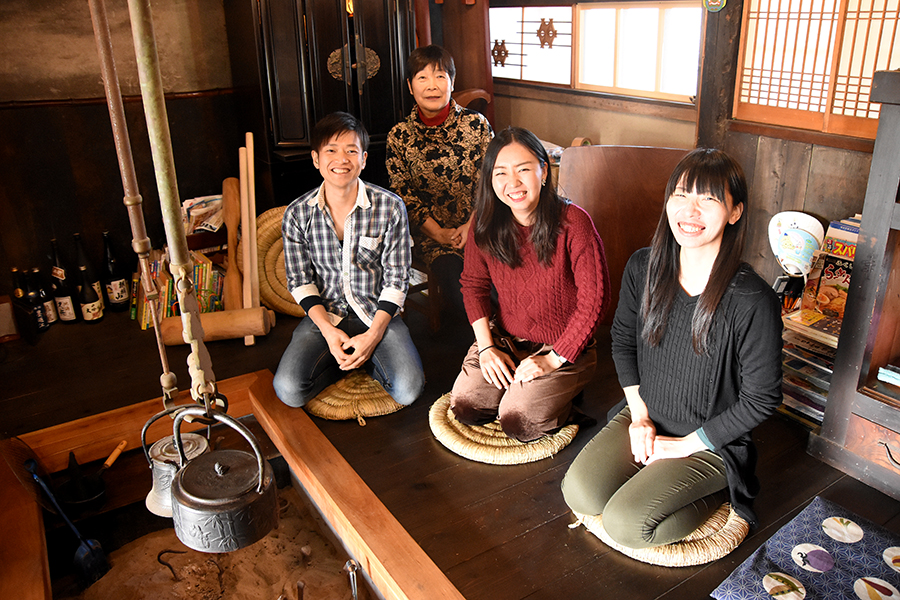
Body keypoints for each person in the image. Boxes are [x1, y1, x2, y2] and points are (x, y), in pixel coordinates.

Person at [561, 148, 783, 550]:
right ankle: (658, 477)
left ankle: (722, 489)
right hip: (648, 414)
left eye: (708, 198)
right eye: (680, 195)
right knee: (580, 493)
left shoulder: (752, 299)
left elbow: (761, 399)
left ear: (735, 212)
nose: (689, 210)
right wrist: (639, 417)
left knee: (626, 524)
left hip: (710, 441)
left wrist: (684, 446)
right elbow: (623, 341)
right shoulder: (643, 267)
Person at [449, 127, 610, 442]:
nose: (513, 183)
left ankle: (561, 395)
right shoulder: (484, 221)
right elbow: (473, 286)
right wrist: (487, 348)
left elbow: (595, 301)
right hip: (506, 340)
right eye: (501, 173)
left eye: (523, 170)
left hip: (562, 346)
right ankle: (525, 388)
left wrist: (552, 360)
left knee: (518, 420)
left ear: (544, 171)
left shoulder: (574, 223)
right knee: (466, 407)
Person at [273, 112, 425, 408]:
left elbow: (397, 279)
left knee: (408, 390)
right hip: (326, 316)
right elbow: (300, 281)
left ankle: (364, 358)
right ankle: (339, 361)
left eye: (351, 151)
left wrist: (374, 335)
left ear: (363, 159)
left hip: (377, 315)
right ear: (316, 159)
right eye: (331, 150)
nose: (341, 159)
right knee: (289, 391)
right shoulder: (297, 213)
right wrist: (328, 332)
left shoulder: (390, 207)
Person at [385, 44, 494, 321]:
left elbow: (493, 180)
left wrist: (471, 226)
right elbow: (403, 196)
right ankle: (492, 339)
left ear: (452, 82)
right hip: (433, 238)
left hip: (482, 226)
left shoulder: (477, 125)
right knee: (461, 290)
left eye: (440, 76)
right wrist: (440, 234)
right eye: (422, 77)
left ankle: (519, 337)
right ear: (410, 86)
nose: (432, 86)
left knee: (503, 284)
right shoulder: (399, 136)